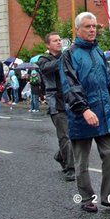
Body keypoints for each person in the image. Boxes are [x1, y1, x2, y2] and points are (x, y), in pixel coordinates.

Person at [59, 12, 110, 213]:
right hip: (82, 116)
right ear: (77, 30)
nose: (92, 30)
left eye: (94, 26)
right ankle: (87, 198)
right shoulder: (69, 55)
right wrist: (84, 109)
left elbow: (109, 81)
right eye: (87, 26)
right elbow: (69, 86)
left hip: (103, 114)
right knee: (82, 161)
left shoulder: (99, 53)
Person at [38, 32, 75, 182]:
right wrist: (64, 58)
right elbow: (48, 68)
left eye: (60, 40)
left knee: (74, 135)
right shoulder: (43, 60)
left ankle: (61, 155)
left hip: (71, 100)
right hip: (56, 103)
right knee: (65, 136)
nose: (59, 42)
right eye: (55, 41)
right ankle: (71, 168)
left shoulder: (65, 57)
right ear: (48, 45)